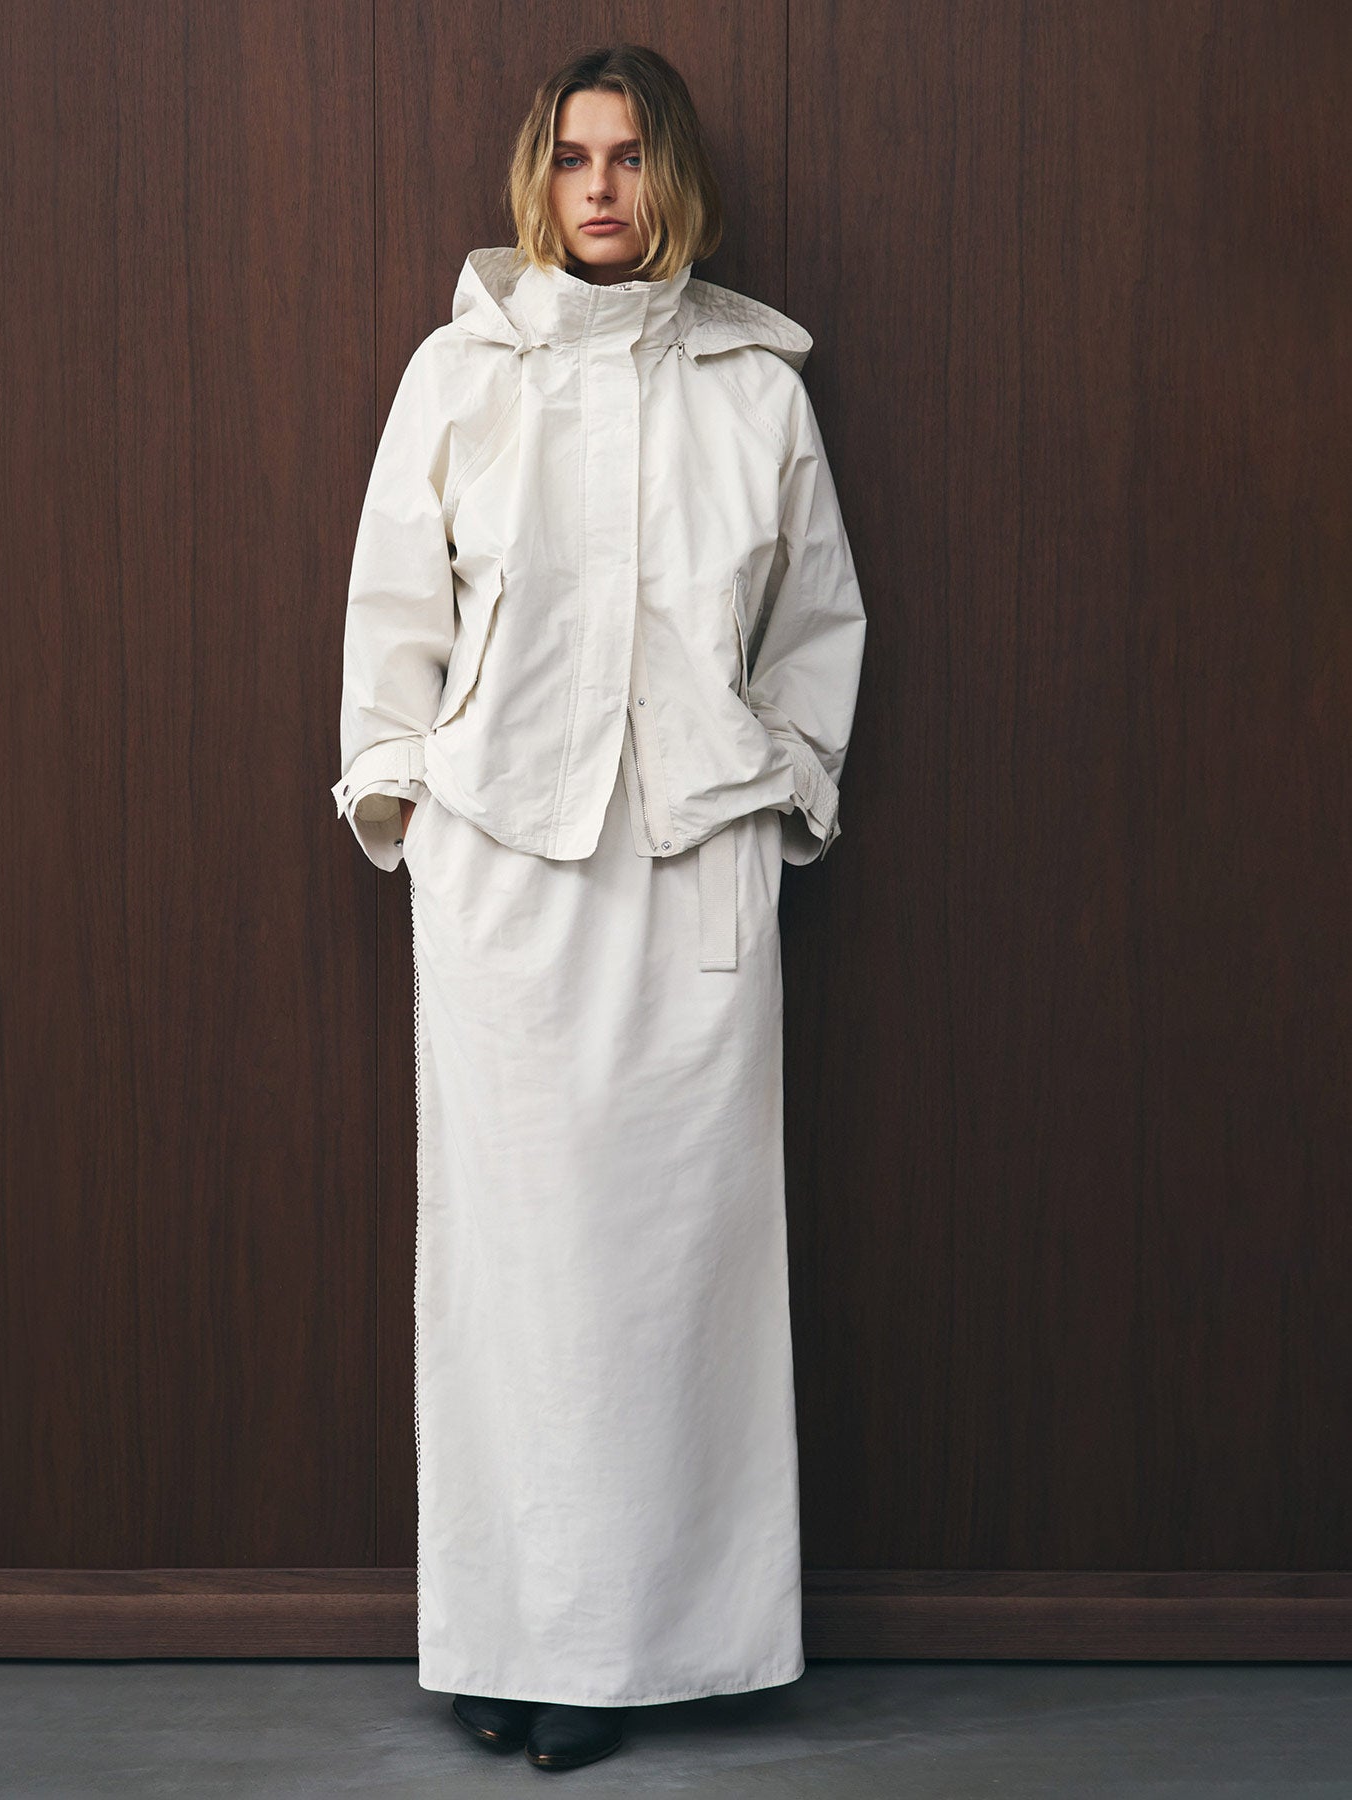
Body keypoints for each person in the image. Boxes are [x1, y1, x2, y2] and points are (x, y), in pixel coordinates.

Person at [332, 44, 867, 1774]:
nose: (601, 188)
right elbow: (394, 606)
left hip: (693, 870)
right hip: (502, 870)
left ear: (671, 178)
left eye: (630, 158)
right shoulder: (462, 373)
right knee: (508, 1276)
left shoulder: (753, 389)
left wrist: (782, 782)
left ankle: (630, 1653)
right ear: (538, 180)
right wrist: (406, 797)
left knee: (670, 1272)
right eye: (574, 158)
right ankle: (508, 1638)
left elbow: (818, 625)